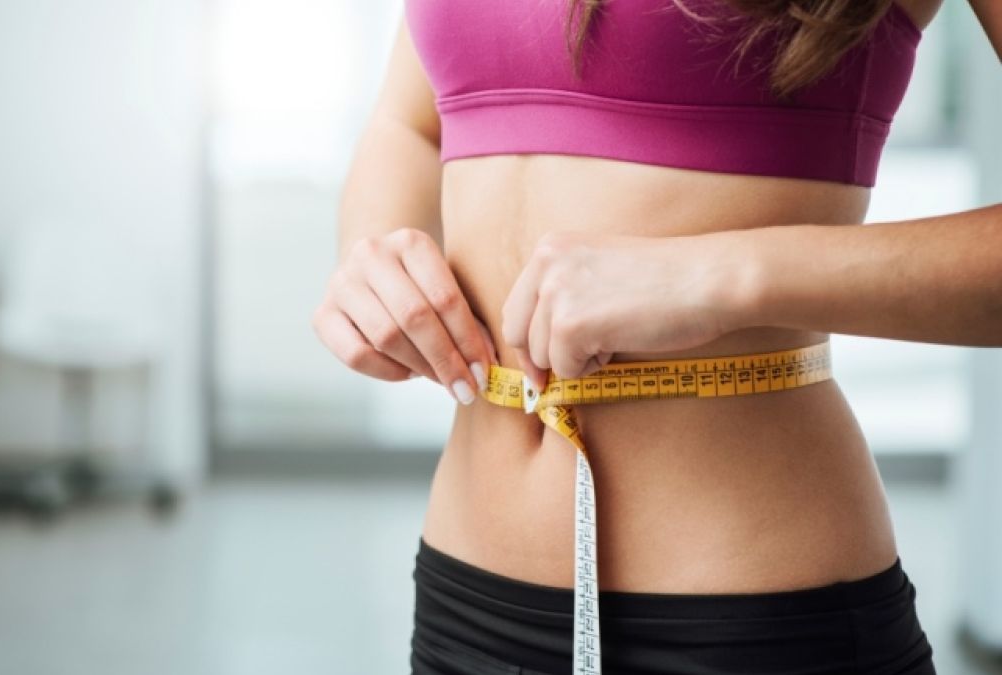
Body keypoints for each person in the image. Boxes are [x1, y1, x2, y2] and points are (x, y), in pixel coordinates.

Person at [311, 0, 1001, 672]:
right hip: (464, 599)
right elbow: (410, 122)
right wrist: (373, 249)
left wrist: (718, 274)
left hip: (748, 621)